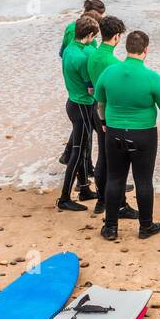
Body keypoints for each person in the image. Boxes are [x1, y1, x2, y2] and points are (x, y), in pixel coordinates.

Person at [94, 30, 160, 240]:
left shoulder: (109, 72)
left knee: (115, 179)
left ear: (127, 49)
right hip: (143, 135)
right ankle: (145, 227)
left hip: (114, 133)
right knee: (143, 180)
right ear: (146, 50)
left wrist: (105, 123)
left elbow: (100, 103)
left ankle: (110, 228)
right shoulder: (151, 77)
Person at [58, 15, 99, 212]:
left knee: (81, 149)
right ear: (89, 35)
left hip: (73, 102)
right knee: (77, 153)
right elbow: (91, 88)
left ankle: (84, 189)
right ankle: (64, 198)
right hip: (82, 105)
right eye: (94, 36)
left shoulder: (69, 50)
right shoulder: (82, 58)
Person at [86, 15, 126, 214]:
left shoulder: (93, 54)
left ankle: (101, 200)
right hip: (109, 112)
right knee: (115, 160)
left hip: (95, 107)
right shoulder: (113, 62)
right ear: (117, 36)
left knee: (102, 155)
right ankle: (118, 203)